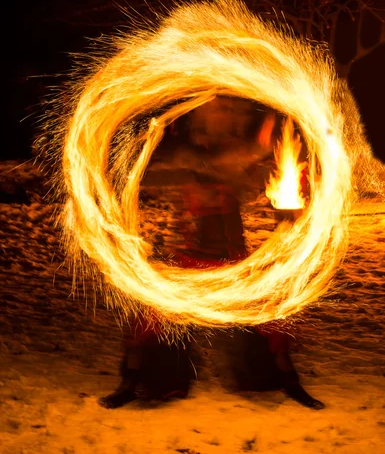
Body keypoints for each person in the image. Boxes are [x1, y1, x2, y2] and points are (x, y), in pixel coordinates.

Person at [99, 98, 324, 410]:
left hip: (232, 262)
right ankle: (131, 382)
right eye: (220, 111)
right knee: (147, 316)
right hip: (189, 261)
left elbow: (257, 159)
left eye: (230, 112)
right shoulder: (186, 153)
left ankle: (288, 380)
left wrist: (277, 122)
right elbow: (155, 169)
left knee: (273, 312)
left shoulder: (232, 152)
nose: (227, 117)